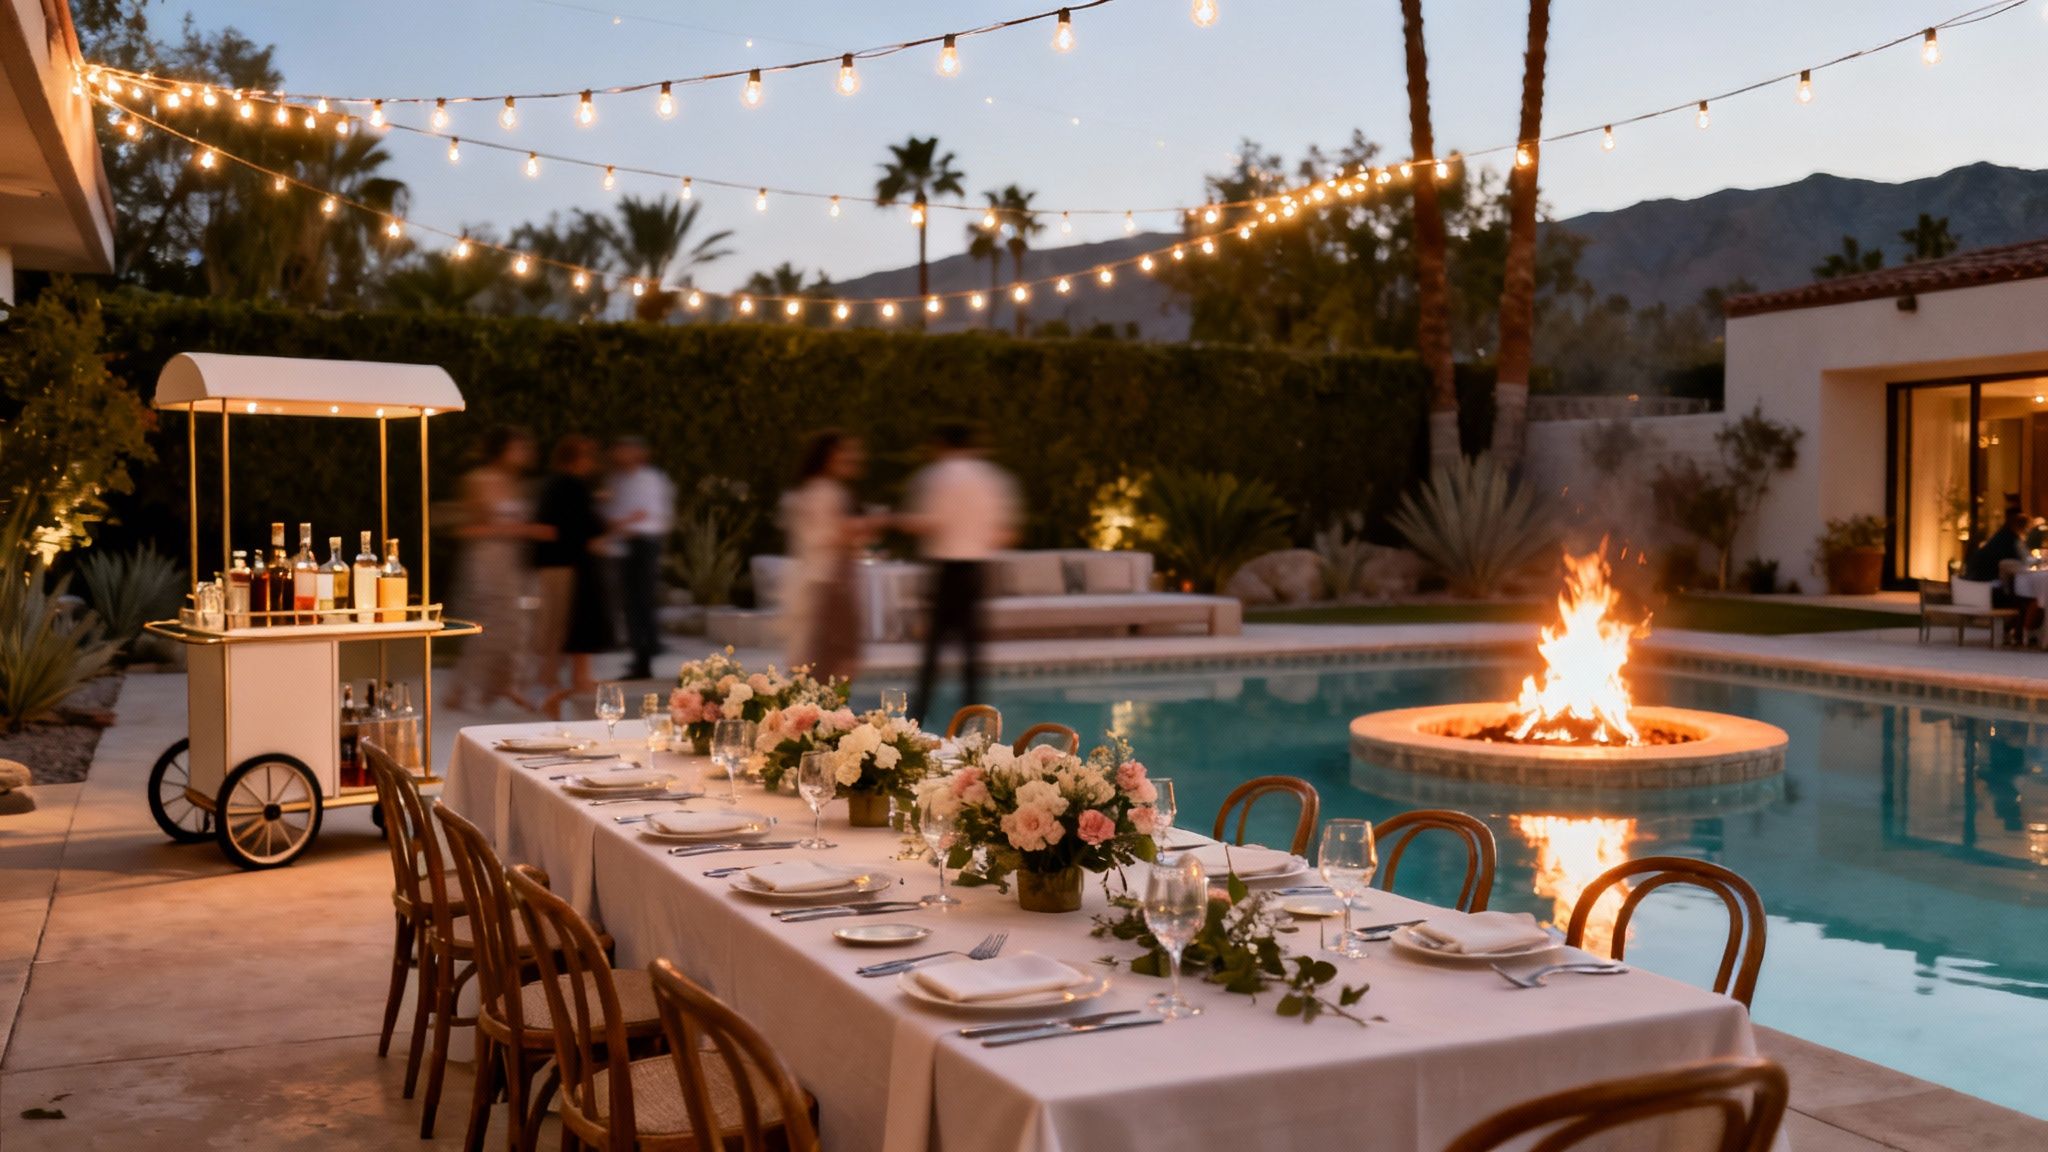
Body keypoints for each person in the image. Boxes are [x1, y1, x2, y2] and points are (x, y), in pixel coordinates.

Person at [899, 421, 1019, 723]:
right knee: (972, 653)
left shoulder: (935, 477)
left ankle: (917, 718)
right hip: (975, 570)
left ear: (940, 444)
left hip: (944, 570)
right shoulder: (993, 479)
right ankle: (974, 720)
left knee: (932, 654)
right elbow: (1006, 533)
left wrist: (899, 521)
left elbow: (928, 522)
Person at [448, 427, 547, 712]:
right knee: (489, 625)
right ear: (502, 449)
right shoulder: (478, 480)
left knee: (515, 626)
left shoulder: (517, 483)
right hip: (487, 559)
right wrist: (517, 528)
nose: (524, 453)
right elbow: (467, 527)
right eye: (518, 447)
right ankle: (462, 688)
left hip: (513, 559)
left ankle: (499, 687)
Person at [780, 430, 875, 681]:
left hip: (825, 584)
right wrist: (859, 529)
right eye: (847, 454)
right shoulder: (824, 492)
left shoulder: (816, 490)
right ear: (830, 457)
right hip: (828, 585)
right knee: (832, 661)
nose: (855, 458)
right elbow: (820, 536)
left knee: (828, 660)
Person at [534, 435, 614, 713]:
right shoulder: (569, 486)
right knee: (561, 625)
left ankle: (564, 683)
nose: (592, 462)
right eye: (588, 456)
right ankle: (550, 692)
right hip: (565, 564)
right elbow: (586, 526)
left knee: (566, 624)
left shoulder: (560, 484)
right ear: (577, 458)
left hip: (563, 563)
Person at [606, 436, 675, 681]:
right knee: (630, 604)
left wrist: (624, 524)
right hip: (625, 546)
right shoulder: (618, 480)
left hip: (643, 545)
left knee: (642, 601)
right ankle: (639, 654)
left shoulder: (650, 480)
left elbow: (651, 515)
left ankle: (645, 654)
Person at [1962, 508, 2040, 638]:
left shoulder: (2000, 538)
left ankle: (2017, 632)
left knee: (2024, 596)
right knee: (2028, 600)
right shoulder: (2011, 542)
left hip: (1978, 586)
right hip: (1989, 589)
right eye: (2027, 528)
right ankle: (2023, 633)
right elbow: (2021, 564)